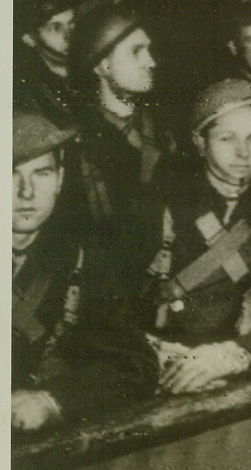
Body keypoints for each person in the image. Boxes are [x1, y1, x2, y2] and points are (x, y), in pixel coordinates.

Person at [140, 80, 251, 394]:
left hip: (240, 373)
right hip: (160, 371)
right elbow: (110, 311)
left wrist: (237, 354)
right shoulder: (159, 206)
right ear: (200, 142)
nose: (243, 153)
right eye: (227, 138)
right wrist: (151, 355)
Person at [12, 110, 159, 433]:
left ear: (61, 179)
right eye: (10, 174)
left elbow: (135, 365)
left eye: (42, 173)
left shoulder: (86, 260)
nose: (26, 192)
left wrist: (54, 401)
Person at [67, 5, 179, 240]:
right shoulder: (78, 143)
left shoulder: (165, 128)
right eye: (136, 51)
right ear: (103, 65)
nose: (151, 62)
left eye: (148, 50)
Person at [15, 0, 85, 127]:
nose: (70, 36)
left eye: (72, 23)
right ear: (29, 39)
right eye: (56, 27)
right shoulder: (26, 95)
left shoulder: (96, 70)